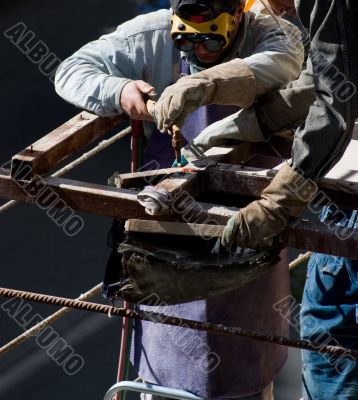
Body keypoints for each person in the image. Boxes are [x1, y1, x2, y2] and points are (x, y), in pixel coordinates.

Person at [55, 1, 304, 398]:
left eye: (210, 40)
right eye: (187, 40)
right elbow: (70, 72)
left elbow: (282, 63)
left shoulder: (269, 32)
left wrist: (204, 84)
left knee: (247, 365)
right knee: (169, 349)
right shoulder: (151, 35)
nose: (198, 52)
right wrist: (119, 90)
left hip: (247, 220)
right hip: (169, 231)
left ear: (237, 16)